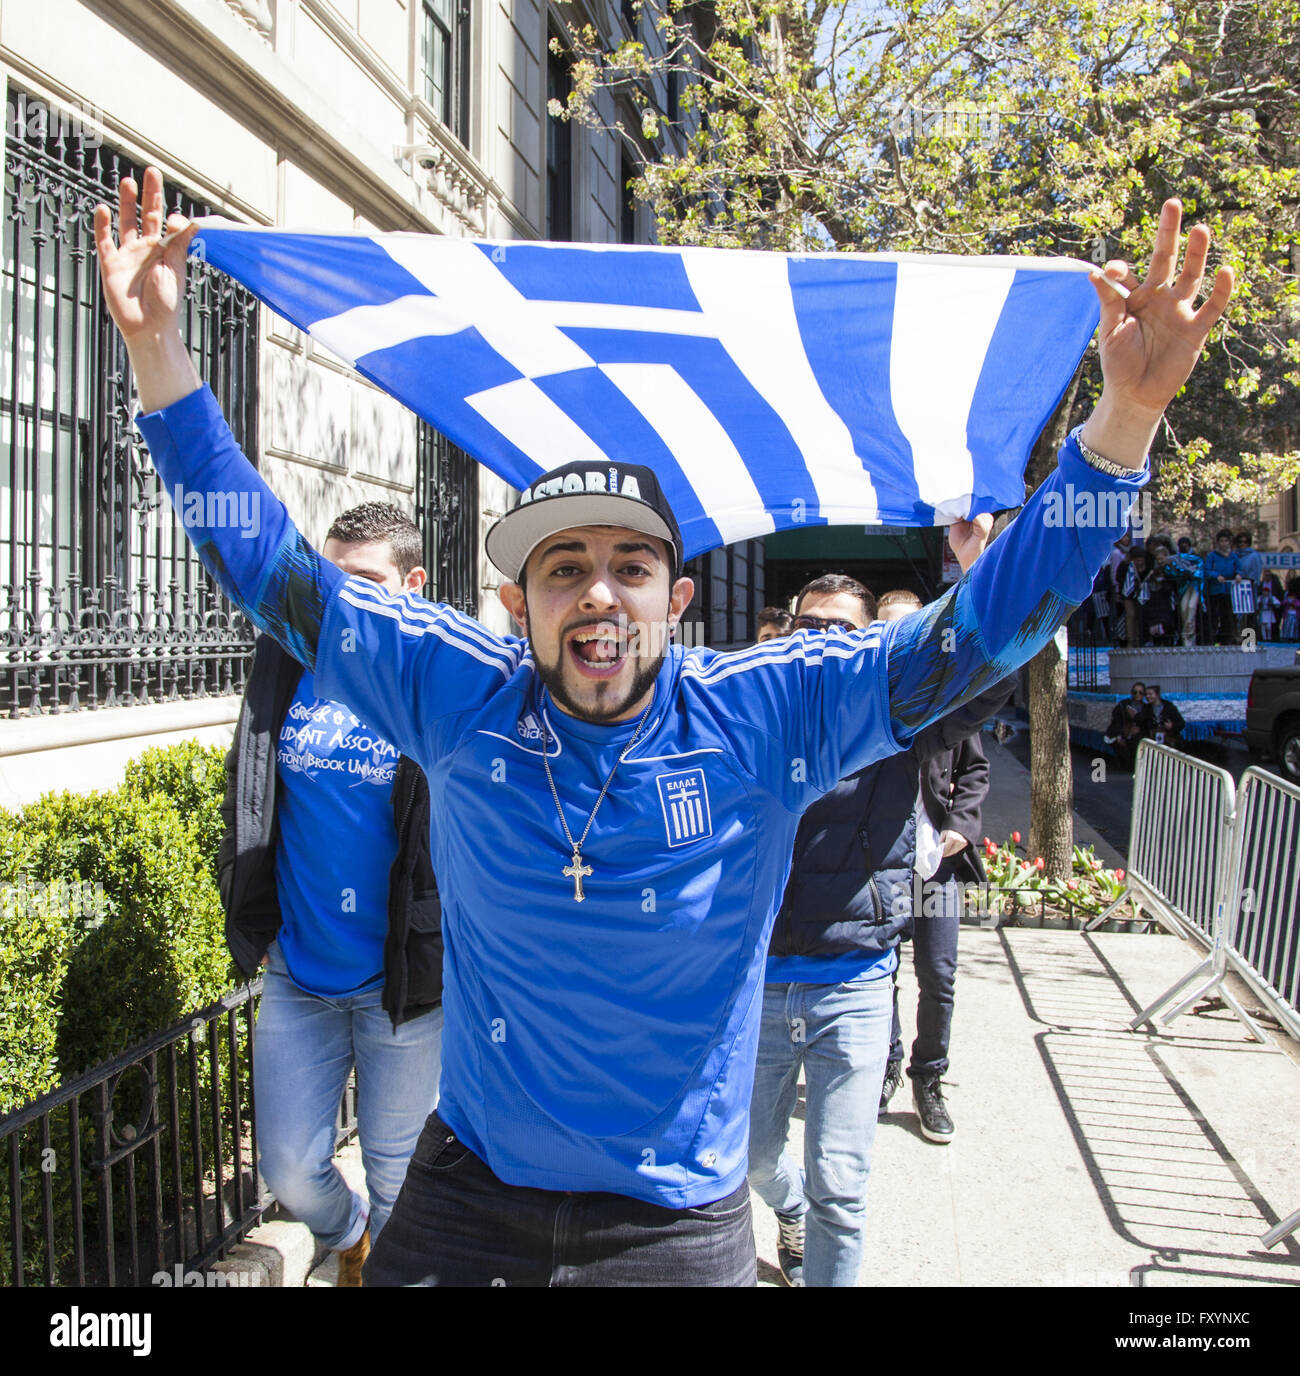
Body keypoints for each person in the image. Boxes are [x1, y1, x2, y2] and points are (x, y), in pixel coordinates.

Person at [97, 169, 1230, 1286]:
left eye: (630, 567)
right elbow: (271, 573)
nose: (598, 593)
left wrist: (1122, 423)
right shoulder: (455, 691)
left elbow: (981, 633)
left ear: (676, 601)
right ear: (515, 601)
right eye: (564, 568)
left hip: (672, 1220)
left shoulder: (765, 709)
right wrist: (160, 356)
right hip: (471, 1189)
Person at [747, 570, 1006, 1288]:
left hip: (854, 990)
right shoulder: (755, 711)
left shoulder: (900, 721)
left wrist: (981, 572)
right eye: (809, 626)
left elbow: (991, 675)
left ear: (872, 644)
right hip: (759, 989)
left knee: (843, 1186)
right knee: (750, 1159)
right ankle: (787, 1210)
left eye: (843, 631)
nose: (823, 641)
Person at [218, 501, 444, 1285]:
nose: (339, 600)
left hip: (404, 988)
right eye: (328, 579)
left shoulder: (437, 681)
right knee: (287, 1168)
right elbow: (248, 791)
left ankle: (382, 1261)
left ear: (413, 585)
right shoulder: (286, 655)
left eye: (365, 581)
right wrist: (253, 914)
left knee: (398, 1177)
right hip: (300, 974)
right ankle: (347, 1238)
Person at [873, 592, 1001, 1153]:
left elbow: (974, 768)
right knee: (882, 971)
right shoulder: (868, 699)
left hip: (936, 865)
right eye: (888, 630)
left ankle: (930, 1076)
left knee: (939, 975)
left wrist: (962, 823)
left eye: (911, 630)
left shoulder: (948, 697)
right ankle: (887, 1062)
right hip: (881, 860)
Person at [1104, 682, 1152, 771]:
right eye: (1135, 692)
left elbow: (1148, 723)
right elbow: (1116, 721)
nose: (1137, 695)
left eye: (1140, 692)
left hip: (1139, 735)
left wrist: (1139, 729)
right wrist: (1119, 734)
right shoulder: (1123, 705)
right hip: (1124, 733)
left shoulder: (1147, 708)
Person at [1166, 540, 1204, 646]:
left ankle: (1190, 637)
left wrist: (1192, 574)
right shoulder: (1176, 558)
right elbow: (1172, 572)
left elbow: (1200, 569)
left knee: (1191, 607)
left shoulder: (1196, 557)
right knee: (1183, 609)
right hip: (1184, 587)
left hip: (1195, 587)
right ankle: (1185, 637)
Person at [1140, 540, 1179, 645]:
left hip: (1170, 602)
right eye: (1158, 559)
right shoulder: (1155, 571)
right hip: (1158, 603)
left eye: (1161, 559)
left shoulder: (1173, 568)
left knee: (1169, 625)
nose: (1160, 561)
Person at [1203, 529, 1239, 644]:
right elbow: (1207, 570)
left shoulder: (1233, 556)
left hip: (1228, 590)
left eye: (1226, 541)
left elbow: (1239, 567)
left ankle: (1227, 638)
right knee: (1214, 615)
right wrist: (1216, 575)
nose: (1224, 544)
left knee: (1228, 615)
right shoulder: (1212, 556)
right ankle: (1212, 639)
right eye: (1221, 541)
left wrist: (1238, 574)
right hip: (1215, 590)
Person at [1117, 545, 1150, 645]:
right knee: (1130, 615)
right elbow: (1119, 579)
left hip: (1142, 593)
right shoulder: (1124, 567)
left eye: (1141, 560)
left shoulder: (1147, 566)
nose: (1139, 563)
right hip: (1128, 594)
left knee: (1140, 615)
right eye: (1137, 560)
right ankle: (1131, 641)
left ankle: (1140, 639)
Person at [1233, 531, 1263, 640]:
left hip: (1248, 589)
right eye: (1240, 542)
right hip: (1235, 588)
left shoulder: (1254, 556)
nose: (1242, 544)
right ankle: (1237, 637)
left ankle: (1249, 639)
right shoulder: (1234, 555)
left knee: (1248, 615)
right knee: (1236, 615)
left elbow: (1255, 574)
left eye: (1245, 541)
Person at [1143, 683, 1185, 750]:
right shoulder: (1146, 708)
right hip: (1153, 743)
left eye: (1150, 694)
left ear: (1157, 695)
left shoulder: (1169, 707)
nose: (1147, 696)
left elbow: (1181, 723)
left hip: (1169, 743)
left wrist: (1172, 726)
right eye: (1146, 694)